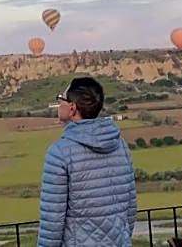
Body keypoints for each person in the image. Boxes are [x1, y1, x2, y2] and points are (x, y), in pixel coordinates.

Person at [37, 77, 137, 247]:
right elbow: (130, 208)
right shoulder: (120, 145)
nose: (59, 103)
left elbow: (52, 221)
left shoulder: (59, 153)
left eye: (61, 99)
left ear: (72, 108)